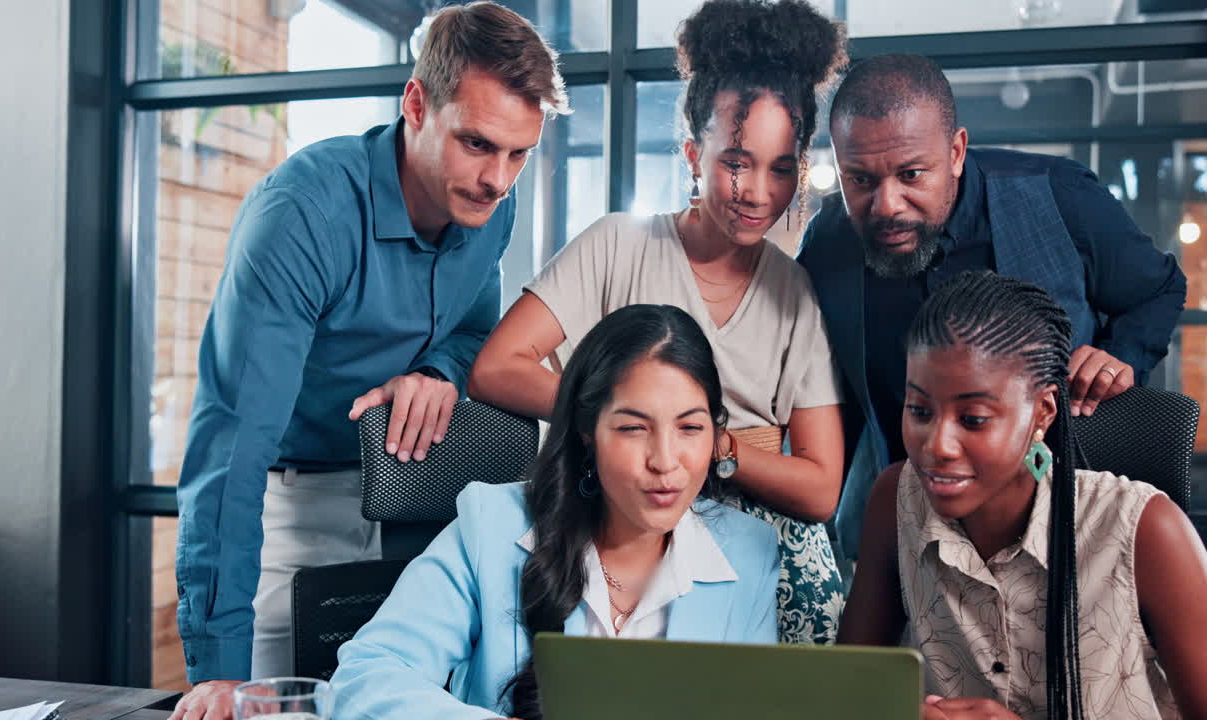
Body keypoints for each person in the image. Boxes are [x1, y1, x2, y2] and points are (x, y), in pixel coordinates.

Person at [169, 4, 569, 718]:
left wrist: (436, 375)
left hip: (426, 511)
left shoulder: (491, 208)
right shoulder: (301, 216)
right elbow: (232, 454)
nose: (498, 179)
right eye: (477, 143)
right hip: (296, 505)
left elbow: (479, 335)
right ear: (416, 103)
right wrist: (220, 672)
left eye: (519, 153)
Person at [468, 0, 849, 645]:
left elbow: (818, 490)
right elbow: (496, 368)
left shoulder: (796, 294)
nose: (757, 191)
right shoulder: (619, 244)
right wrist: (623, 415)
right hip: (616, 512)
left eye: (781, 168)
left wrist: (710, 447)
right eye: (736, 160)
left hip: (752, 541)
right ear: (693, 154)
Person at [798, 54, 1187, 584]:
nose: (886, 204)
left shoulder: (1058, 195)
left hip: (1070, 536)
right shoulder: (828, 245)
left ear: (956, 151)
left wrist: (1122, 355)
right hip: (915, 536)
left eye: (911, 174)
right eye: (860, 179)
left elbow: (1159, 288)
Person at [838, 271, 1207, 720]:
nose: (937, 444)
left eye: (975, 418)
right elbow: (848, 692)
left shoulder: (1145, 528)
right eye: (919, 410)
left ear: (1042, 413)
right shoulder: (896, 499)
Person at [331, 304, 779, 720]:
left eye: (690, 428)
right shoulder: (491, 523)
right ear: (588, 432)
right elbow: (366, 674)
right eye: (632, 428)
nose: (665, 460)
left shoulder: (750, 554)